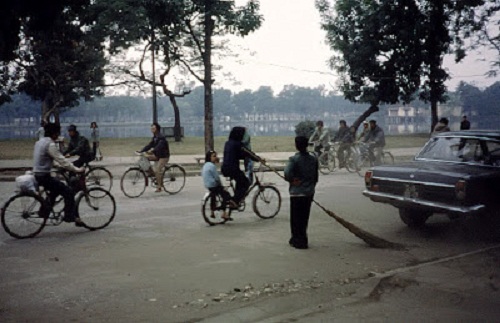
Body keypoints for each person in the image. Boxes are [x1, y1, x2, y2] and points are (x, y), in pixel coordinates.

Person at [33, 122, 85, 225]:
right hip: (44, 176)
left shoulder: (39, 142)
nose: (58, 135)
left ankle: (44, 211)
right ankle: (69, 216)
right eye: (57, 133)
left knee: (55, 190)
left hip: (37, 174)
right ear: (53, 134)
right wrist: (77, 170)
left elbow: (47, 160)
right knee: (68, 191)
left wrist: (59, 166)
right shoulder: (50, 144)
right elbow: (62, 160)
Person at [284, 136, 319, 250]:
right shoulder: (313, 159)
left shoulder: (294, 159)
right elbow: (315, 177)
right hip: (309, 193)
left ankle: (296, 239)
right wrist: (310, 187)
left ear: (296, 145)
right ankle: (302, 239)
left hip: (297, 193)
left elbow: (287, 174)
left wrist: (293, 180)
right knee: (304, 218)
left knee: (295, 218)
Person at [221, 126, 260, 207]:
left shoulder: (227, 143)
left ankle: (235, 199)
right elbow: (247, 153)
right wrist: (257, 158)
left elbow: (238, 155)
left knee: (240, 181)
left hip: (224, 168)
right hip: (233, 169)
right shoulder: (238, 144)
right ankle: (235, 201)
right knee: (246, 183)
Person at [136, 123, 170, 192]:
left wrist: (152, 151)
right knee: (144, 158)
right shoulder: (155, 137)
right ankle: (151, 173)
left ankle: (159, 187)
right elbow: (149, 145)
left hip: (163, 157)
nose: (152, 130)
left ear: (157, 129)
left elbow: (159, 146)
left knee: (157, 170)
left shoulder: (161, 137)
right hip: (157, 155)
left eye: (153, 128)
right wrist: (141, 151)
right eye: (151, 128)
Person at [202, 150, 232, 220]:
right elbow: (217, 178)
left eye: (216, 156)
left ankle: (212, 212)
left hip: (208, 185)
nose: (216, 158)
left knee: (213, 196)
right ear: (209, 157)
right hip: (213, 185)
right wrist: (222, 186)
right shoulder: (212, 166)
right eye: (214, 156)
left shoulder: (205, 165)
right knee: (226, 195)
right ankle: (224, 213)